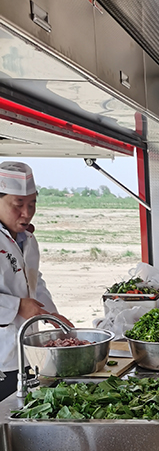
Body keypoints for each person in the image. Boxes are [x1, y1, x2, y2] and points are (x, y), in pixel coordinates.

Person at [0, 161, 72, 400]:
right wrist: (17, 305)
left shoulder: (26, 239)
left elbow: (34, 282)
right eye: (18, 205)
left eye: (32, 205)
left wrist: (52, 316)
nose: (27, 213)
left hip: (25, 352)